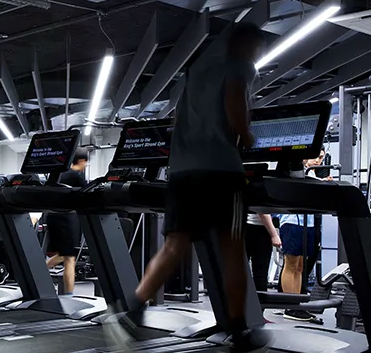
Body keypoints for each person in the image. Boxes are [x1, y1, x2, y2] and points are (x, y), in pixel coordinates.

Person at [104, 23, 272, 352]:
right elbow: (235, 103)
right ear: (249, 44)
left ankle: (128, 311)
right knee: (233, 251)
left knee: (173, 246)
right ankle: (239, 329)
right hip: (222, 171)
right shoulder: (241, 66)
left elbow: (179, 121)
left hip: (181, 172)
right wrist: (248, 137)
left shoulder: (196, 72)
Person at [277, 148, 329, 324]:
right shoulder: (297, 174)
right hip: (292, 221)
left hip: (308, 222)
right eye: (316, 157)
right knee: (291, 264)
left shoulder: (312, 175)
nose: (318, 160)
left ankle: (297, 304)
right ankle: (290, 306)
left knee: (300, 266)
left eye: (321, 158)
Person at [46, 148, 88, 296]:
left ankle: (37, 273)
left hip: (53, 217)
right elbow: (88, 194)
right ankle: (69, 296)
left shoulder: (58, 174)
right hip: (68, 218)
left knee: (62, 255)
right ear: (82, 161)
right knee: (69, 258)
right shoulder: (77, 176)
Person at [245, 213, 281, 292]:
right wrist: (274, 234)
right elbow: (263, 212)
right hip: (257, 226)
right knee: (260, 272)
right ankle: (260, 301)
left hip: (252, 225)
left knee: (258, 272)